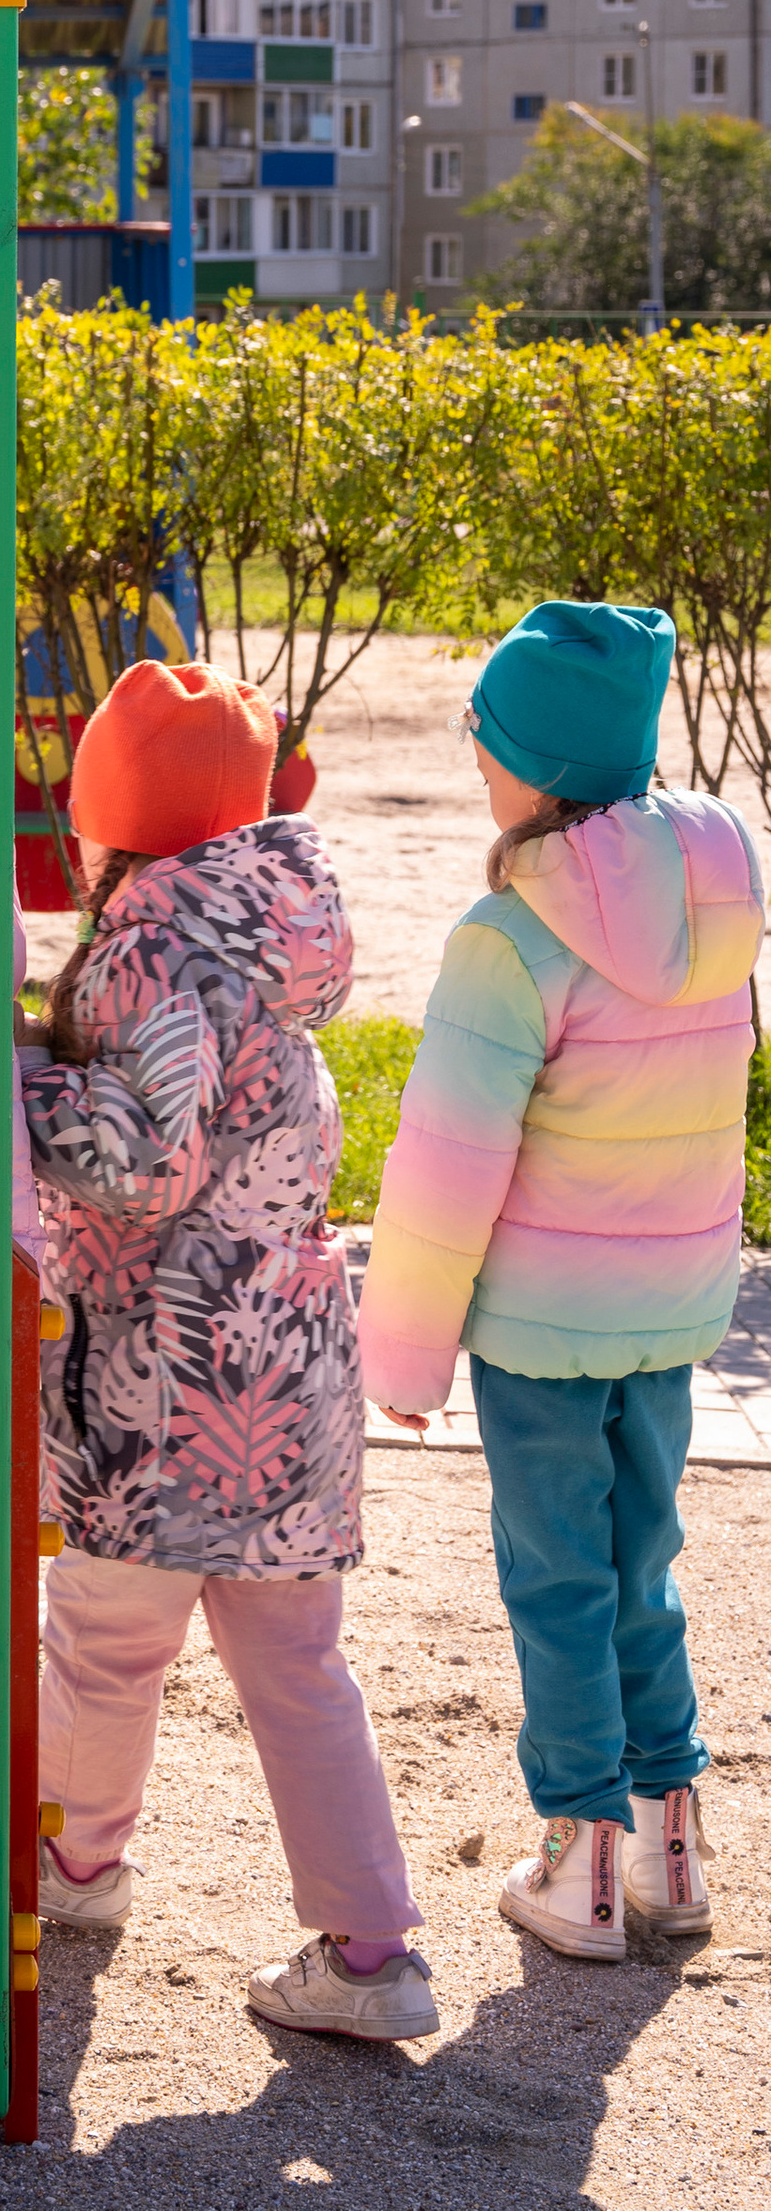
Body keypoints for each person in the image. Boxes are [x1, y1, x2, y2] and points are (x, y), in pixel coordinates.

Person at [18, 657, 436, 2043]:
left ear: (106, 809)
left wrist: (14, 1073)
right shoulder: (273, 926)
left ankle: (75, 1861)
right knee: (299, 1662)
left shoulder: (148, 941)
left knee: (106, 1636)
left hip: (168, 1371)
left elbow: (141, 1160)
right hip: (292, 1361)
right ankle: (374, 1951)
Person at [359, 599, 764, 1959]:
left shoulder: (509, 938)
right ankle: (673, 1848)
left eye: (491, 742)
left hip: (539, 1329)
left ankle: (580, 1856)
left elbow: (442, 1170)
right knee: (643, 1565)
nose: (477, 762)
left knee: (558, 1580)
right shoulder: (717, 919)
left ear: (540, 764)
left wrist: (403, 1354)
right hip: (669, 1312)